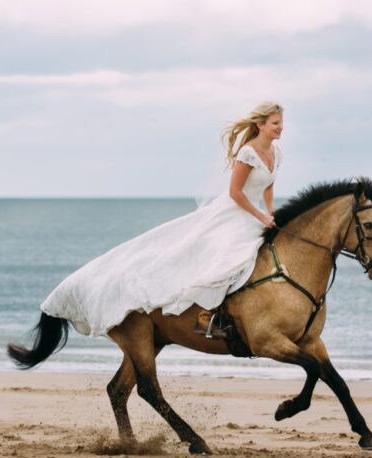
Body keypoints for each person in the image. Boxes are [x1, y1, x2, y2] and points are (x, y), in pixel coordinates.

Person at [39, 101, 284, 340]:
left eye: (281, 123)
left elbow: (268, 185)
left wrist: (272, 212)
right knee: (227, 257)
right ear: (261, 125)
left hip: (255, 212)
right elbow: (235, 192)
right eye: (275, 123)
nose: (280, 128)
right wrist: (260, 214)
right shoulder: (248, 152)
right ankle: (206, 315)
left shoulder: (276, 152)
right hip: (234, 212)